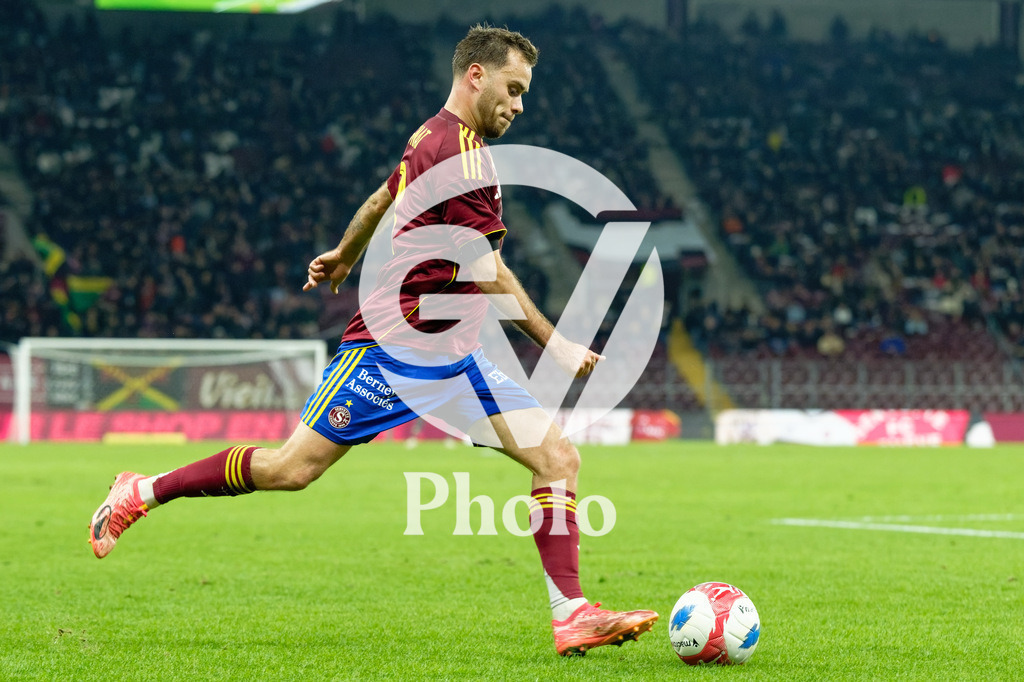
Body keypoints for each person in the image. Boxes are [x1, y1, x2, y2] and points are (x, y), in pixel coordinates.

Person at [88, 25, 658, 657]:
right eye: (514, 88)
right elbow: (488, 271)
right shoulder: (459, 154)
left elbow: (384, 195)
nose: (520, 105)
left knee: (558, 459)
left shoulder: (432, 137)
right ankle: (141, 490)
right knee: (290, 470)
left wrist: (344, 252)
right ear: (476, 75)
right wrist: (556, 344)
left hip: (454, 357)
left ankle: (571, 614)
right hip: (389, 352)